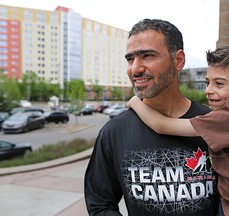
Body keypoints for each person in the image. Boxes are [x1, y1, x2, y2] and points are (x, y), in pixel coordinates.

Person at [127, 42, 229, 216]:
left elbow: (161, 125)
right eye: (207, 82)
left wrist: (135, 101)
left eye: (219, 84)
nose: (209, 90)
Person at [84, 19, 220, 216]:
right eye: (130, 59)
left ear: (179, 60)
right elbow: (99, 205)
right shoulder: (114, 132)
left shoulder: (215, 125)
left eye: (147, 56)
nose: (135, 69)